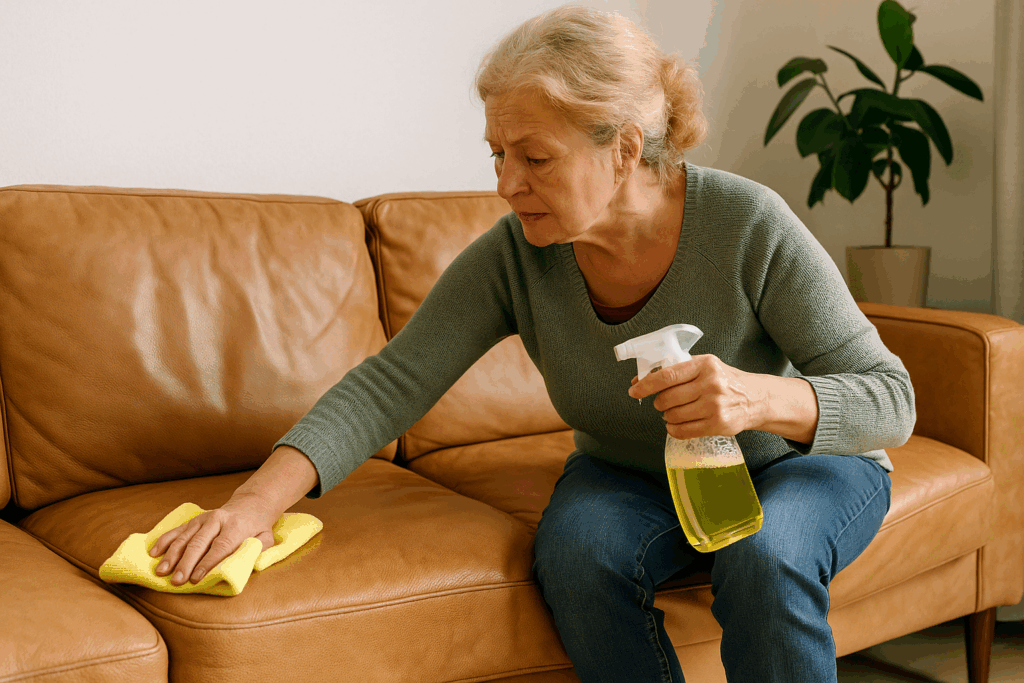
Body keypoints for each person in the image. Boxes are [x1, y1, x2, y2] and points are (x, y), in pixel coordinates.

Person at [147, 5, 914, 682]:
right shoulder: (518, 254)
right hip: (629, 474)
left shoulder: (747, 224)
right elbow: (392, 382)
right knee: (578, 560)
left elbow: (891, 398)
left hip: (798, 466)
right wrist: (252, 504)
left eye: (534, 157)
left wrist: (756, 398)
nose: (506, 183)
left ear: (623, 148)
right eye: (497, 154)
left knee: (765, 555)